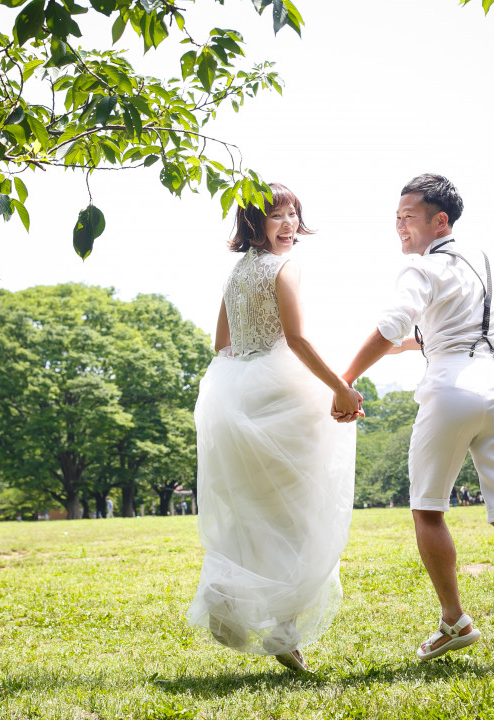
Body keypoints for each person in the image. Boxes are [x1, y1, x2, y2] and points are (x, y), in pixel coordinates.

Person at [336, 174, 494, 672]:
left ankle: (455, 621)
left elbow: (391, 329)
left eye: (409, 217)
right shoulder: (481, 262)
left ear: (439, 220)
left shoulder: (419, 270)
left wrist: (343, 380)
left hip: (450, 386)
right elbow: (443, 332)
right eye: (396, 218)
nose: (400, 227)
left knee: (428, 510)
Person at [187, 183, 360, 673]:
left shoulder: (234, 273)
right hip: (284, 395)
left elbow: (222, 342)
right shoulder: (284, 268)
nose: (288, 225)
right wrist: (340, 389)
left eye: (293, 215)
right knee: (301, 514)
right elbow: (298, 339)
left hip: (236, 394)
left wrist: (245, 380)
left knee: (251, 511)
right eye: (276, 216)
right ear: (252, 224)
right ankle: (285, 628)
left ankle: (227, 599)